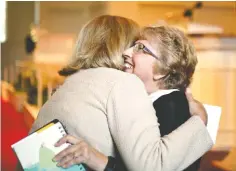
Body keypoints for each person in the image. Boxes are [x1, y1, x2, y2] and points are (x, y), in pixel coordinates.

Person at [30, 15, 212, 171]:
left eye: (140, 47)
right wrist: (200, 120)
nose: (128, 52)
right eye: (133, 44)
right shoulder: (121, 83)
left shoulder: (67, 86)